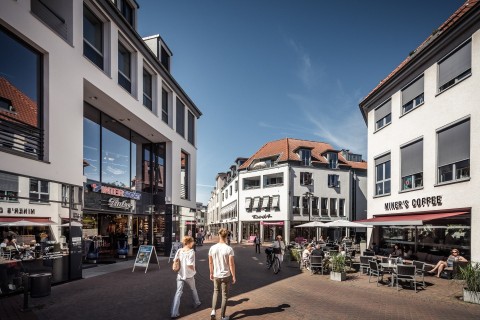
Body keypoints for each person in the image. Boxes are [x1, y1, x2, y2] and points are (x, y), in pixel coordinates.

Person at [171, 236, 201, 319]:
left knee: (178, 292)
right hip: (189, 275)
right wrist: (194, 270)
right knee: (193, 289)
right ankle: (197, 302)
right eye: (192, 242)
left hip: (180, 274)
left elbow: (175, 260)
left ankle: (174, 312)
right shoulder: (191, 252)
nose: (193, 243)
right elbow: (190, 264)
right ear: (189, 243)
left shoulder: (179, 250)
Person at [209, 228, 236, 320]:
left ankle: (213, 311)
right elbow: (231, 264)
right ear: (227, 236)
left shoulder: (212, 248)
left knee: (216, 292)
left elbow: (210, 262)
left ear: (219, 235)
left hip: (216, 275)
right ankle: (222, 316)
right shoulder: (229, 249)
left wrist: (211, 273)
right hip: (226, 275)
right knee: (224, 296)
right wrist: (234, 276)